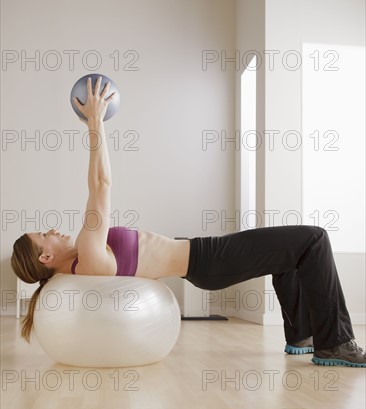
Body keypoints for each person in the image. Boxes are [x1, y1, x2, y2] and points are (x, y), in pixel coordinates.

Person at [11, 77, 365, 367]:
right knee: (313, 239)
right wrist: (95, 123)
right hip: (207, 260)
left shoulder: (83, 262)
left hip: (202, 258)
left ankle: (301, 334)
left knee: (289, 253)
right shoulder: (86, 255)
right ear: (45, 258)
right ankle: (335, 343)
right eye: (44, 235)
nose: (53, 230)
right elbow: (101, 185)